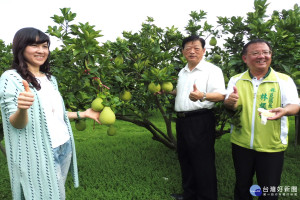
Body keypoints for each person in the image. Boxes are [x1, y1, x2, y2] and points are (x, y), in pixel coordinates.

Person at [0, 27, 101, 200]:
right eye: (34, 45)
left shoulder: (49, 78)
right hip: (41, 150)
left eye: (45, 46)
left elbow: (51, 115)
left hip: (64, 145)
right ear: (21, 48)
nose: (41, 50)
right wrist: (22, 109)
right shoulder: (11, 78)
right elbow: (15, 123)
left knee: (54, 192)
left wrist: (83, 114)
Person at [224, 39, 299, 200]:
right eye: (256, 53)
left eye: (266, 52)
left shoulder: (283, 80)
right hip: (241, 143)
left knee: (268, 190)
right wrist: (229, 103)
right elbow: (229, 104)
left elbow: (295, 105)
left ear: (271, 55)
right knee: (242, 186)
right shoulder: (236, 80)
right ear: (245, 58)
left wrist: (285, 110)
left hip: (271, 146)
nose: (262, 56)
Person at [170, 35, 226, 200]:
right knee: (185, 158)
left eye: (196, 48)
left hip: (200, 120)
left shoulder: (212, 70)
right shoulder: (183, 71)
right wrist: (168, 90)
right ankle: (189, 194)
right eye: (188, 48)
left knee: (202, 162)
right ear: (183, 52)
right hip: (182, 120)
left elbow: (221, 95)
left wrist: (202, 96)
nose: (192, 51)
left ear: (204, 51)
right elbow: (181, 92)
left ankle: (206, 197)